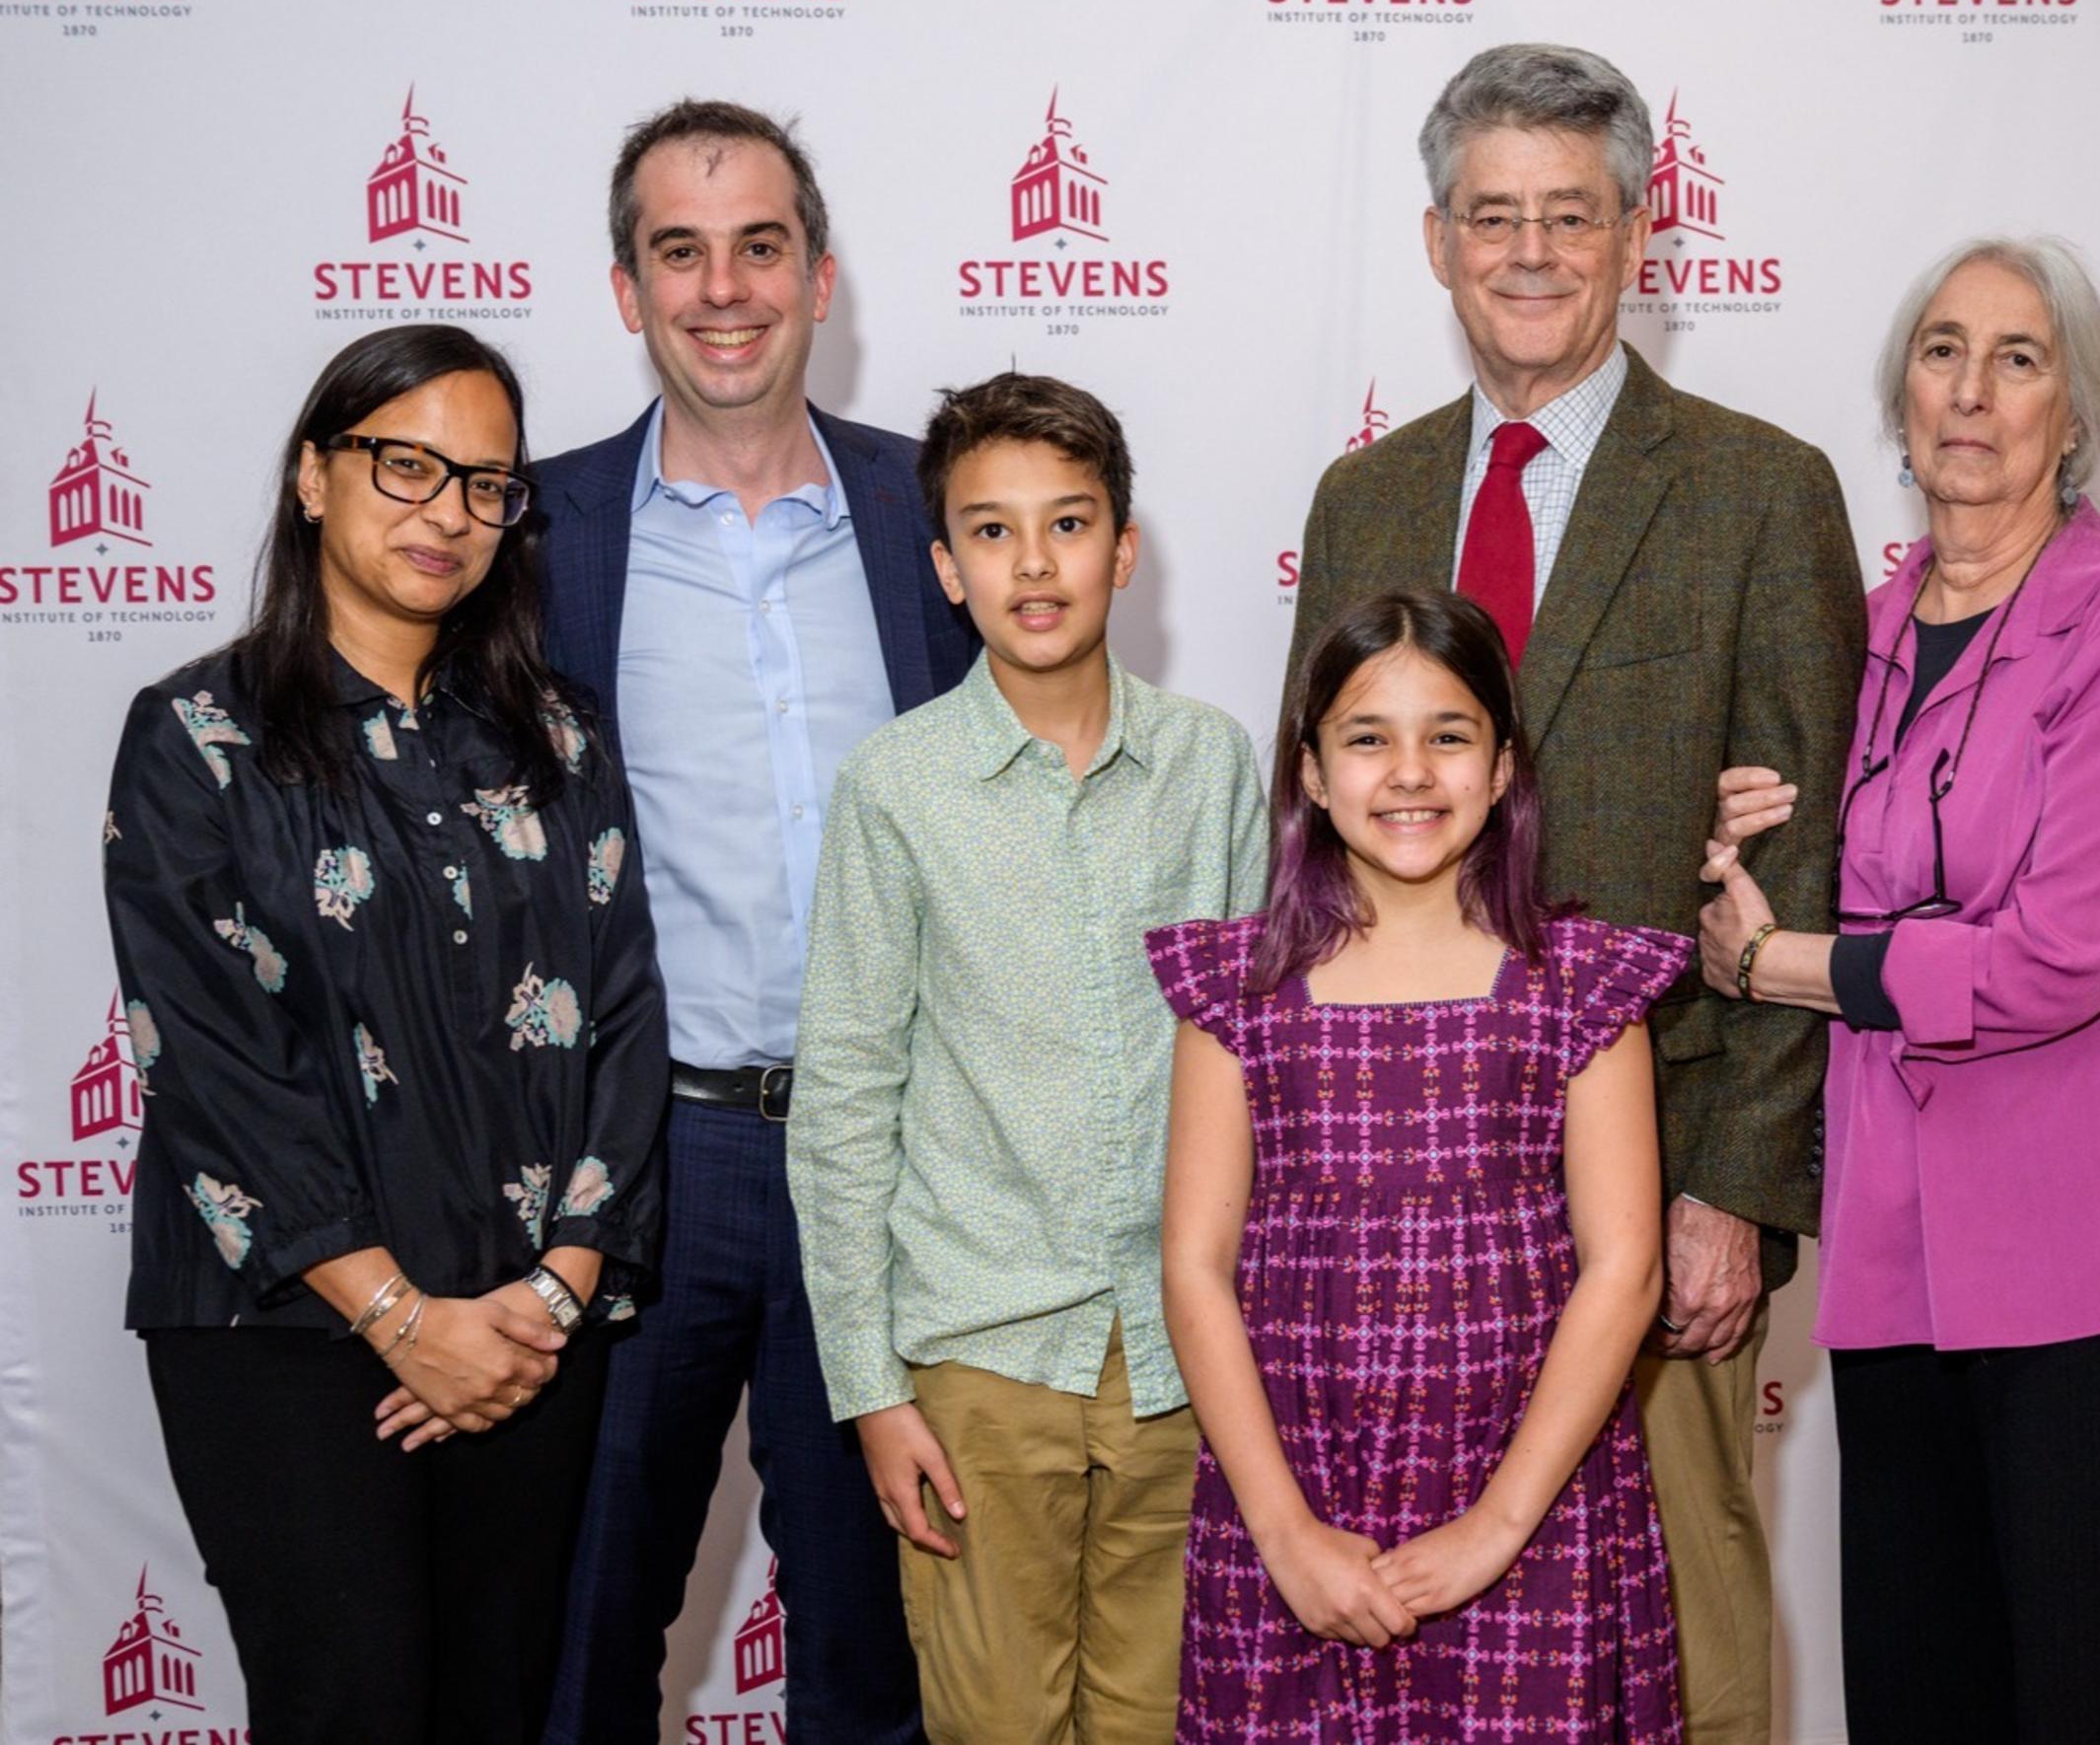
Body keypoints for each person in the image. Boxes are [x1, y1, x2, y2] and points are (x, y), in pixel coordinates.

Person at [1285, 40, 1862, 1742]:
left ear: (1638, 236)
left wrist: (1740, 1191)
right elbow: (1317, 832)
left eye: (1570, 216)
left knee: (1675, 1622)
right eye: (1493, 218)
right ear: (1437, 241)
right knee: (1419, 1636)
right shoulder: (1363, 497)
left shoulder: (1765, 489)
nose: (1529, 254)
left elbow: (1804, 856)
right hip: (1397, 1185)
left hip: (1663, 1153)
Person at [1697, 237, 2100, 1744]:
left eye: (2020, 358)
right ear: (1900, 396)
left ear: (2073, 417)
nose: (1974, 390)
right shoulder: (1851, 640)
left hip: (2097, 1268)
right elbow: (1797, 868)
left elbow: (2057, 952)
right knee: (1928, 1697)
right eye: (1942, 350)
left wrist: (1793, 963)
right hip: (1898, 1264)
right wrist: (1728, 841)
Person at [103, 325, 667, 1744]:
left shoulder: (558, 733)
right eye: (406, 466)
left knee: (503, 1703)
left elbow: (625, 1014)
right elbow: (213, 1069)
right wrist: (402, 1321)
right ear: (313, 474)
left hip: (532, 1333)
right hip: (291, 1335)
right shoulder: (194, 738)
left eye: (487, 484)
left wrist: (545, 1302)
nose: (449, 514)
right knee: (348, 1705)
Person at [536, 100, 973, 1745]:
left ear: (822, 277)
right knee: (578, 1642)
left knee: (881, 1657)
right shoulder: (537, 535)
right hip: (642, 1160)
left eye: (761, 246)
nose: (725, 286)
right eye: (680, 250)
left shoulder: (938, 517)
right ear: (627, 290)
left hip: (892, 1161)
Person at [786, 372, 1267, 1743]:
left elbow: (1249, 1065)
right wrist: (873, 1390)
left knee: (1163, 1721)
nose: (1034, 562)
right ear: (945, 567)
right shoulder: (897, 784)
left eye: (1068, 523)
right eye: (991, 532)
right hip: (982, 1355)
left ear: (1124, 548)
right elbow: (844, 1102)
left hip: (1182, 1354)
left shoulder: (1210, 766)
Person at [1153, 587, 1688, 1739]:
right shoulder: (1234, 990)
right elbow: (1194, 1268)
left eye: (1448, 737)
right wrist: (1285, 1533)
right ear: (1308, 770)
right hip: (1296, 1509)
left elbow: (1625, 1270)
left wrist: (1497, 1525)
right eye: (1366, 739)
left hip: (1534, 1502)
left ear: (1502, 770)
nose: (1409, 774)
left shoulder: (1581, 983)